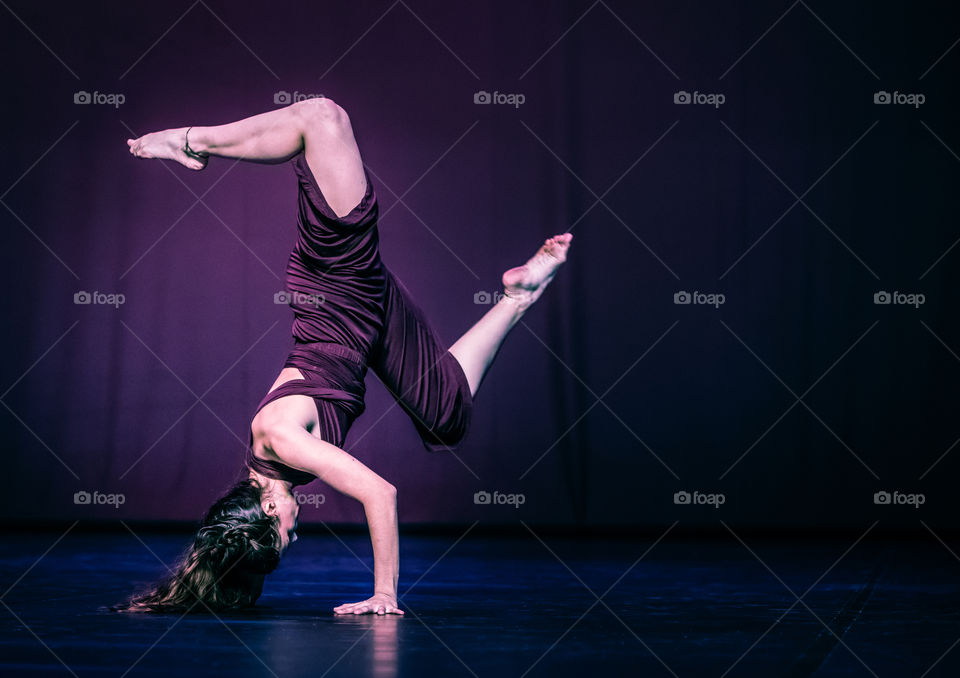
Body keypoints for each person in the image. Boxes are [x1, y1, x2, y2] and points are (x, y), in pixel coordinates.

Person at [114, 96, 573, 614]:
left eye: (284, 535)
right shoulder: (275, 467)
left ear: (267, 507)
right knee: (445, 417)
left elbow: (381, 494)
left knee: (321, 116)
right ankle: (520, 293)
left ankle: (191, 139)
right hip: (367, 328)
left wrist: (383, 594)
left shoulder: (281, 442)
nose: (295, 538)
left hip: (335, 282)